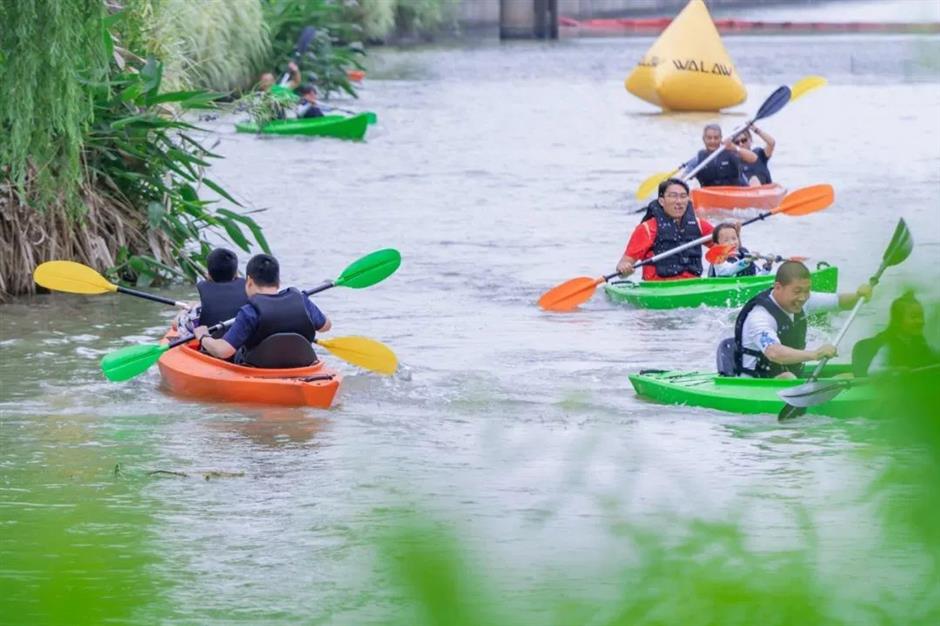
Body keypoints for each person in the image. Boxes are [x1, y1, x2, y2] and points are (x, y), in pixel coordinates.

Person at [717, 261, 873, 379]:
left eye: (806, 291)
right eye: (797, 291)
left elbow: (840, 302)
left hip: (786, 376)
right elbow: (774, 353)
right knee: (788, 377)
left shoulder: (803, 300)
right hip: (757, 383)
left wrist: (859, 296)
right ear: (778, 287)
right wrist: (814, 354)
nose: (803, 297)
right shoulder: (760, 316)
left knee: (853, 374)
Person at [194, 254, 331, 367]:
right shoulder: (302, 300)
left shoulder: (249, 312)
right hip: (302, 365)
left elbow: (223, 351)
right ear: (278, 281)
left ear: (249, 281)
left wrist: (204, 336)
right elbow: (326, 326)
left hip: (260, 368)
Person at [616, 178, 715, 281]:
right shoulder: (647, 229)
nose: (679, 201)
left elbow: (723, 244)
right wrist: (625, 269)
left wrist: (726, 242)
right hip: (658, 287)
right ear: (662, 201)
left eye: (683, 196)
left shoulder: (699, 225)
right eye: (673, 196)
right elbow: (623, 265)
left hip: (693, 285)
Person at [852, 292, 938, 376]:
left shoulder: (922, 345)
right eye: (914, 317)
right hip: (893, 385)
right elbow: (873, 371)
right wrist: (894, 370)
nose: (920, 321)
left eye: (921, 316)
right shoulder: (888, 346)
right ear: (898, 321)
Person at [173, 248, 247, 334]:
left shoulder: (198, 309)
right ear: (236, 274)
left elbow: (176, 325)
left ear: (208, 275)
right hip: (244, 341)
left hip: (211, 341)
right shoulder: (252, 299)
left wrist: (185, 310)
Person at [688, 123, 758, 188]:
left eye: (716, 138)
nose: (712, 141)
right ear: (704, 139)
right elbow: (685, 175)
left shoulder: (731, 152)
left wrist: (734, 147)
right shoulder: (698, 158)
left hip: (735, 193)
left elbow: (754, 158)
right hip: (710, 194)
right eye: (709, 138)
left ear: (721, 138)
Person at [707, 223, 773, 277]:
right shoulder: (718, 259)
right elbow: (727, 272)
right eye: (726, 240)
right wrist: (746, 261)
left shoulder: (743, 253)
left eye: (734, 238)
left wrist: (766, 269)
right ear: (717, 245)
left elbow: (754, 278)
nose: (732, 243)